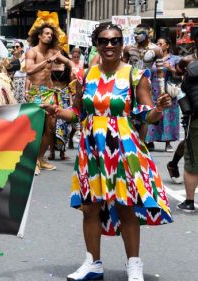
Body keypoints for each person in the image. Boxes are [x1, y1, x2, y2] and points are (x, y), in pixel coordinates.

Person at [41, 23, 173, 281]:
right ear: (96, 45)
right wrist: (57, 111)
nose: (109, 45)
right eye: (104, 41)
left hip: (123, 147)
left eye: (115, 41)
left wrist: (158, 108)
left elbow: (149, 116)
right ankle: (93, 263)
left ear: (122, 43)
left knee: (126, 205)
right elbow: (77, 113)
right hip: (91, 148)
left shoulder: (135, 75)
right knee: (90, 207)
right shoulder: (85, 76)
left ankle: (134, 265)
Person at [25, 23, 77, 175]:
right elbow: (29, 70)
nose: (49, 36)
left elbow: (68, 61)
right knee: (36, 128)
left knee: (51, 127)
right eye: (46, 33)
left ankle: (40, 158)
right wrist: (48, 61)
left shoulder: (54, 51)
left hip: (51, 92)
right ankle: (32, 160)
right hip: (36, 92)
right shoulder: (32, 52)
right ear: (39, 36)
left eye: (51, 34)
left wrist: (72, 67)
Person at [123, 23, 165, 150]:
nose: (136, 36)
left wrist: (162, 91)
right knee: (128, 113)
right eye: (134, 33)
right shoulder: (128, 48)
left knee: (144, 115)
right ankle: (129, 144)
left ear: (147, 34)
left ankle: (141, 147)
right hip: (129, 84)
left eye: (139, 33)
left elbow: (160, 71)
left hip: (146, 85)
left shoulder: (156, 50)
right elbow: (122, 67)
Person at [174, 31, 198, 212]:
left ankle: (189, 201)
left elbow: (183, 91)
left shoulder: (191, 66)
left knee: (192, 161)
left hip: (195, 118)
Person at [145, 38, 181, 152]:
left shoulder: (175, 59)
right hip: (153, 91)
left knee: (168, 116)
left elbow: (182, 75)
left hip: (168, 92)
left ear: (167, 46)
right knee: (152, 113)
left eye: (161, 43)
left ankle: (168, 143)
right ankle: (150, 141)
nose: (158, 45)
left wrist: (171, 69)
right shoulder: (152, 58)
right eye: (157, 43)